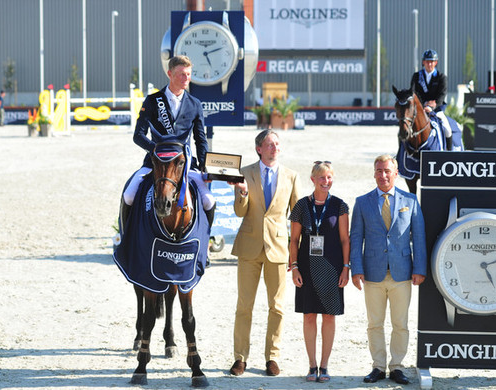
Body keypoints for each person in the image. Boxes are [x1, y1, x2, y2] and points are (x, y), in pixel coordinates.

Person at [229, 129, 301, 377]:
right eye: (269, 144)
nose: (274, 148)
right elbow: (240, 212)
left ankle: (273, 357)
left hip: (279, 249)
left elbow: (298, 218)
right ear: (259, 148)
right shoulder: (245, 173)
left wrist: (296, 255)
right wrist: (243, 193)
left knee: (278, 307)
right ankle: (240, 358)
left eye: (277, 144)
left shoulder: (292, 176)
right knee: (244, 306)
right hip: (249, 247)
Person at [349, 154, 426, 385]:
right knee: (375, 323)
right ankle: (378, 366)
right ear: (374, 174)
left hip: (403, 273)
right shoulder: (362, 202)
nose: (383, 175)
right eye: (379, 171)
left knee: (400, 324)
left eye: (387, 171)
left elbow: (419, 237)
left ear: (396, 173)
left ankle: (397, 367)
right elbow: (356, 238)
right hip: (372, 273)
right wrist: (356, 269)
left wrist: (419, 268)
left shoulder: (410, 200)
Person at [121, 55, 214, 222]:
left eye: (188, 74)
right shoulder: (152, 101)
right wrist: (155, 150)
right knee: (129, 195)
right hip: (155, 162)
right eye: (181, 74)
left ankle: (204, 239)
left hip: (183, 164)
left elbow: (200, 140)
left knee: (209, 201)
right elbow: (138, 135)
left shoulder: (195, 104)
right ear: (170, 74)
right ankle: (125, 239)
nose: (186, 78)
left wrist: (203, 165)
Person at [288, 161, 350, 383]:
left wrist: (346, 268)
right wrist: (294, 267)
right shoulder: (301, 206)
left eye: (329, 177)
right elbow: (294, 240)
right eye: (322, 178)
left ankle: (325, 366)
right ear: (312, 179)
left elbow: (345, 240)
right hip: (306, 267)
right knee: (309, 316)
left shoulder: (340, 206)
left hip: (333, 269)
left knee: (329, 317)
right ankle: (311, 365)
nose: (326, 182)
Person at [410, 49, 452, 149]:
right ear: (423, 62)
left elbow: (442, 94)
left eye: (432, 61)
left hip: (436, 109)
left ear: (436, 62)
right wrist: (423, 105)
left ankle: (449, 152)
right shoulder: (416, 76)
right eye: (427, 61)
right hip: (420, 108)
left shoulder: (441, 77)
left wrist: (434, 105)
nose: (430, 64)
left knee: (447, 128)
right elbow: (414, 93)